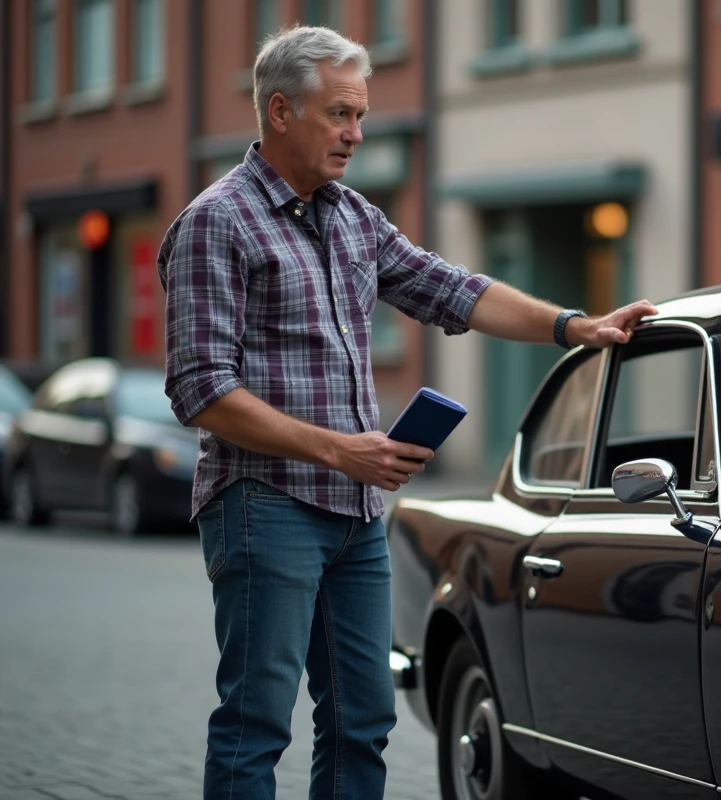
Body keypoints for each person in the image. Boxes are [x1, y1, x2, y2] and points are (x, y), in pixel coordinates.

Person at [158, 24, 656, 800]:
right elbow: (200, 390)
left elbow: (455, 290)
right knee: (256, 723)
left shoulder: (354, 216)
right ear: (281, 112)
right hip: (264, 506)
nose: (356, 134)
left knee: (363, 719)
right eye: (340, 114)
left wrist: (574, 326)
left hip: (356, 516)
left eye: (361, 116)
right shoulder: (216, 222)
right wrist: (339, 450)